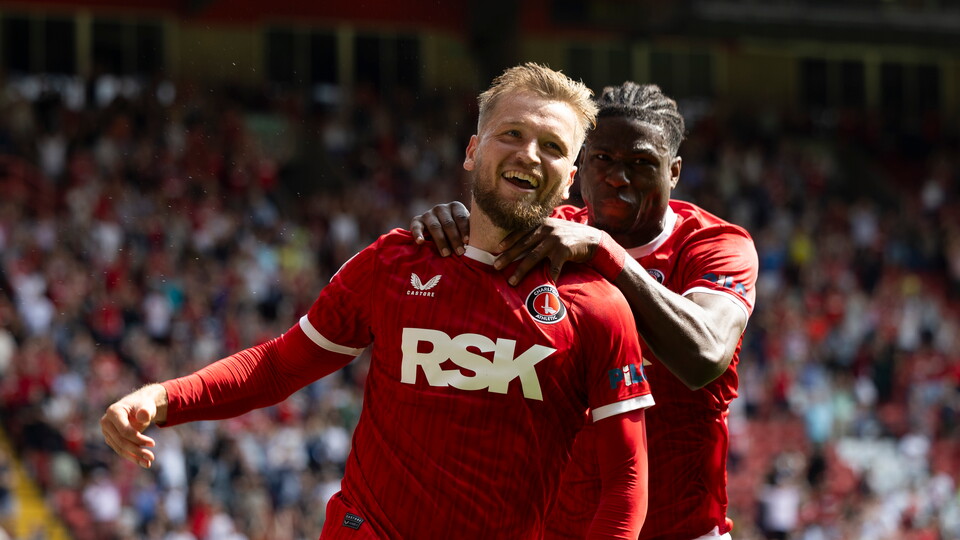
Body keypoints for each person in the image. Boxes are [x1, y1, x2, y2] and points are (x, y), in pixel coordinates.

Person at [100, 63, 655, 540]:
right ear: (472, 150)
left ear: (570, 181)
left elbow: (625, 481)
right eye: (511, 133)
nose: (529, 154)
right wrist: (161, 397)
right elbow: (277, 367)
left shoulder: (596, 306)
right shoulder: (394, 263)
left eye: (553, 147)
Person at [411, 81, 759, 540]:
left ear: (673, 172)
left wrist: (605, 252)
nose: (619, 177)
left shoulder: (712, 245)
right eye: (603, 160)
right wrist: (454, 226)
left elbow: (705, 355)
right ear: (579, 166)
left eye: (641, 163)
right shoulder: (552, 232)